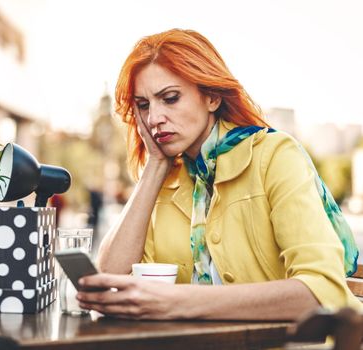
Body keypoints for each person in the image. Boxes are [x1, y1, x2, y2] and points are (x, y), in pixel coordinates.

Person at [76, 28, 362, 321]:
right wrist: (155, 165)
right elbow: (110, 280)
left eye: (170, 98)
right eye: (144, 105)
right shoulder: (165, 181)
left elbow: (322, 292)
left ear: (211, 98)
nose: (154, 119)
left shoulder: (274, 156)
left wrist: (178, 301)